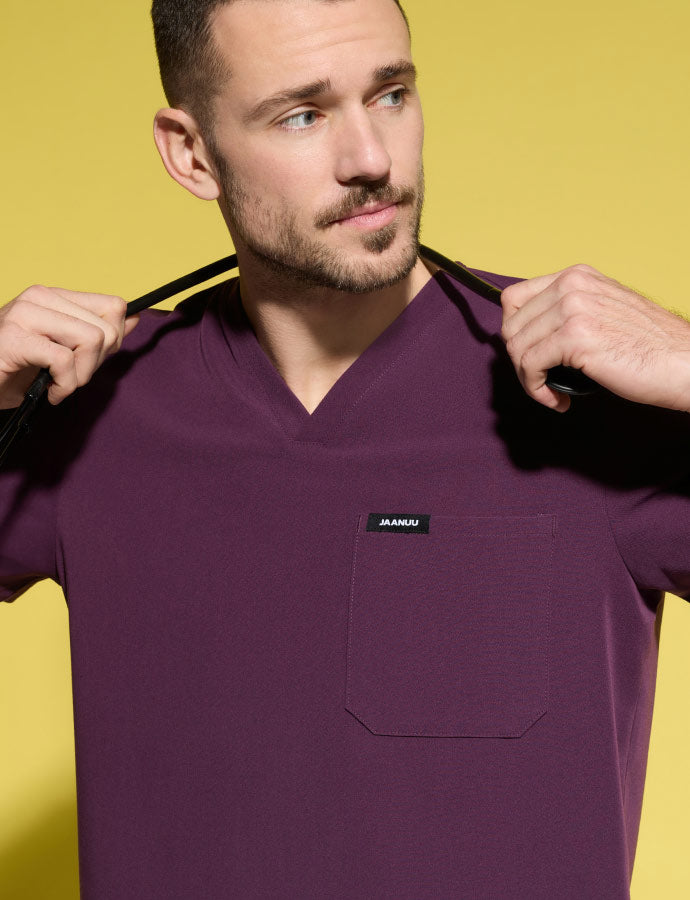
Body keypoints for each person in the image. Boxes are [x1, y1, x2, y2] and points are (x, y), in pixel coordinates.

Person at [1, 0, 689, 897]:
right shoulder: (86, 404)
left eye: (392, 94)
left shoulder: (582, 384)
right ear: (192, 152)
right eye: (303, 114)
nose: (372, 159)